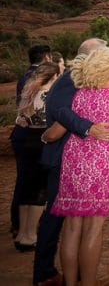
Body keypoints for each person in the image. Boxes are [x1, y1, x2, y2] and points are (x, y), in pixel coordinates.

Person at [43, 46, 109, 286]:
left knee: (72, 226)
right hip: (101, 162)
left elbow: (63, 126)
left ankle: (71, 283)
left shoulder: (80, 94)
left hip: (73, 160)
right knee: (93, 226)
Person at [33, 38, 109, 286]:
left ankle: (73, 274)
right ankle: (45, 274)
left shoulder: (80, 79)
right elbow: (60, 112)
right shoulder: (71, 79)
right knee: (57, 219)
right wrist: (88, 128)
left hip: (73, 158)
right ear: (91, 55)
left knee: (69, 220)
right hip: (63, 159)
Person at [13, 62, 60, 251]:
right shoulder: (50, 95)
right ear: (54, 77)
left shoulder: (29, 92)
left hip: (27, 142)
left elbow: (21, 120)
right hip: (43, 141)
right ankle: (31, 235)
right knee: (40, 190)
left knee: (27, 187)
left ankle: (22, 234)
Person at [11, 44, 50, 241]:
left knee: (25, 182)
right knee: (38, 185)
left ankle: (20, 228)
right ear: (46, 57)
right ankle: (29, 233)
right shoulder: (42, 85)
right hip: (36, 139)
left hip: (22, 135)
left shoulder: (26, 77)